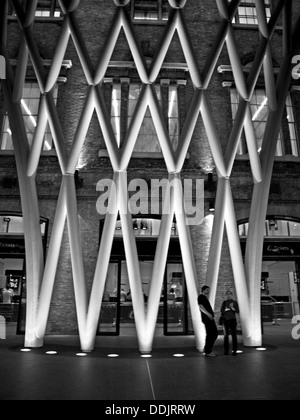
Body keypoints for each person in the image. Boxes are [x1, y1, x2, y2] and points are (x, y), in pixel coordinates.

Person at [198, 285, 219, 357]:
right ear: (203, 290)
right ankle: (208, 351)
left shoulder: (204, 297)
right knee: (213, 334)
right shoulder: (201, 297)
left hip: (208, 318)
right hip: (207, 318)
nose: (208, 291)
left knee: (211, 334)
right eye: (207, 290)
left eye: (208, 290)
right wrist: (208, 314)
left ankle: (207, 349)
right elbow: (201, 307)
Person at [220, 290, 240, 356]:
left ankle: (234, 350)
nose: (228, 295)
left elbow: (237, 311)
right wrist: (225, 310)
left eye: (229, 294)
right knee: (226, 335)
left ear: (232, 295)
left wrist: (232, 308)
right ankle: (226, 351)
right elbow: (221, 310)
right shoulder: (224, 302)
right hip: (225, 320)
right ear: (226, 295)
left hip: (232, 320)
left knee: (234, 335)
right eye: (227, 294)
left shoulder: (234, 302)